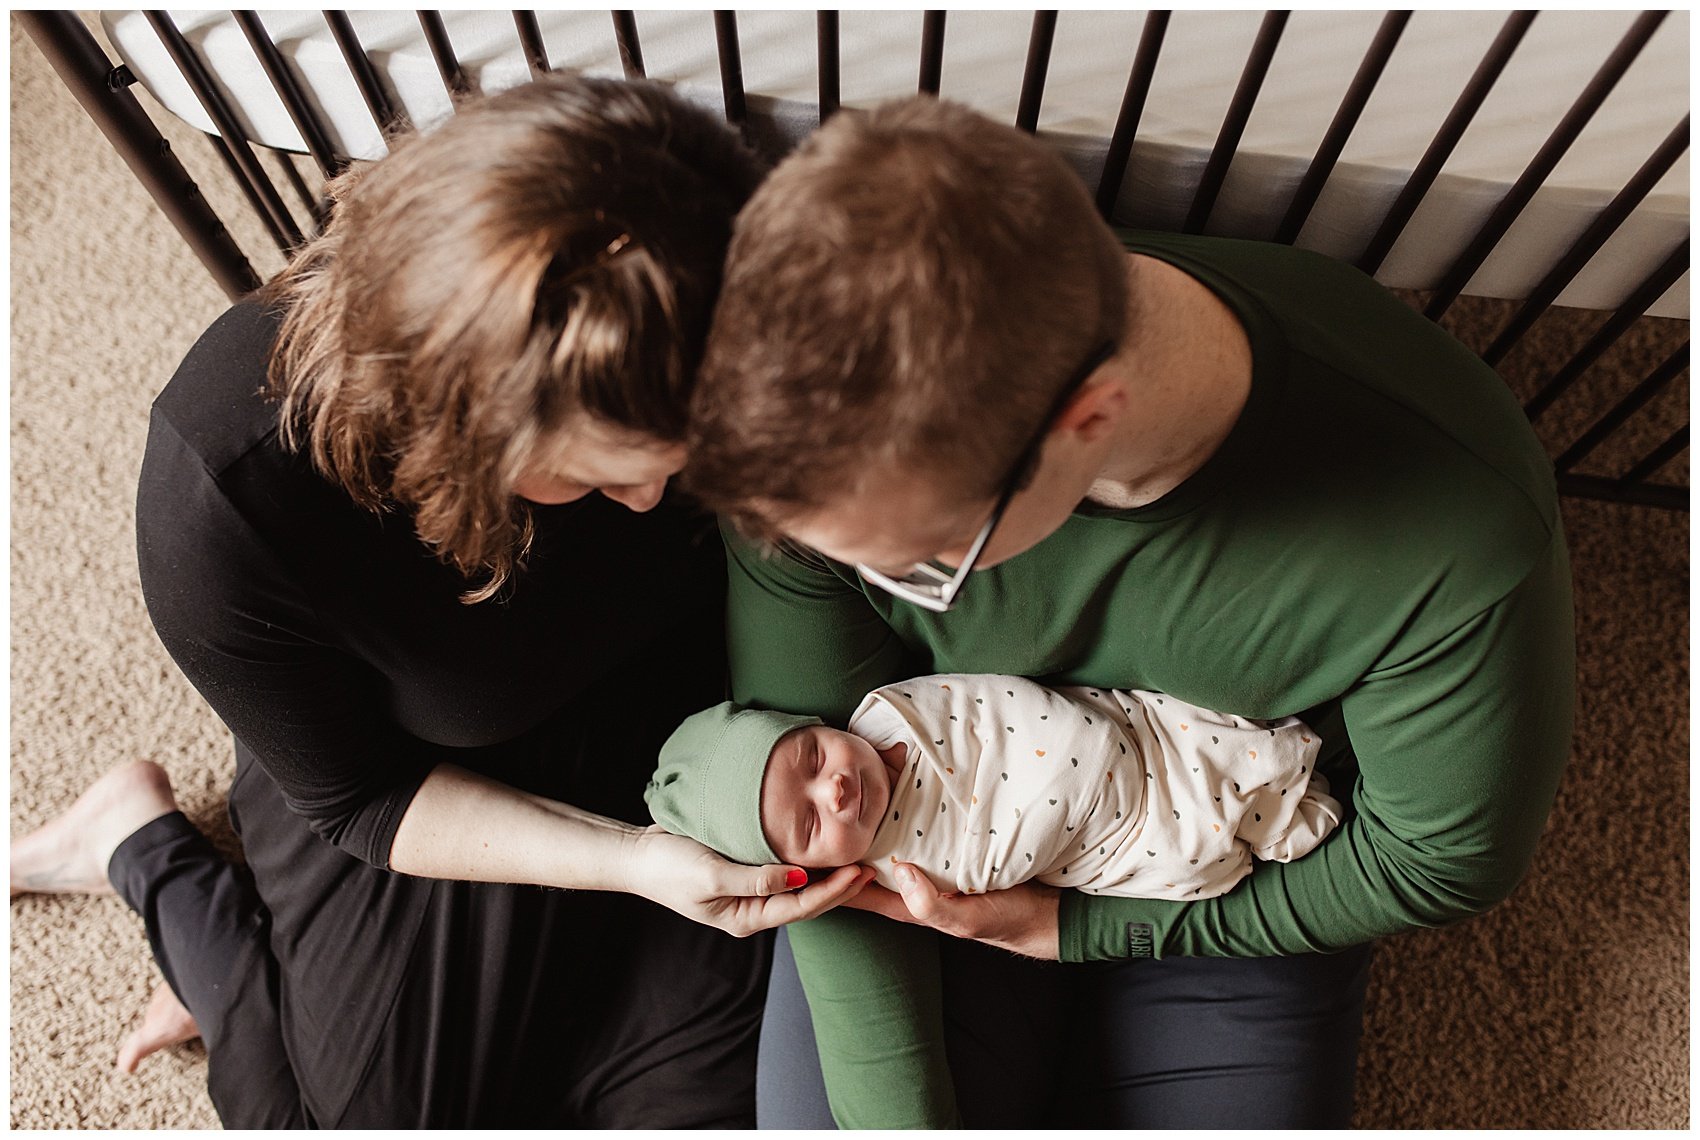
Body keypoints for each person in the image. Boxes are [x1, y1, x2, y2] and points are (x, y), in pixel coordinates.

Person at [682, 96, 1576, 1128]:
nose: (880, 580)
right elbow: (819, 852)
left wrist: (1083, 930)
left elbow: (1435, 861)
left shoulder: (1455, 541)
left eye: (922, 568)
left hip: (1236, 851)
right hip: (930, 831)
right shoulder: (832, 462)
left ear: (1089, 420)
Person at [10, 74, 873, 1128]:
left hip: (671, 724)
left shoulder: (709, 245)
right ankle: (145, 850)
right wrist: (628, 864)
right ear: (467, 422)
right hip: (424, 759)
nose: (653, 501)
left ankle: (230, 961)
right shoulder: (229, 498)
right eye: (604, 476)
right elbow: (363, 799)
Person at [647, 675, 1339, 900]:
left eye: (810, 757)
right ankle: (1271, 823)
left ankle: (1281, 780)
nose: (834, 791)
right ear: (810, 868)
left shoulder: (893, 711)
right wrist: (1065, 798)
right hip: (1105, 838)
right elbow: (990, 862)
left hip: (1127, 732)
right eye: (808, 825)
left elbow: (995, 708)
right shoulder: (897, 870)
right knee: (1187, 850)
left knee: (1215, 724)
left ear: (811, 725)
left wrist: (1077, 752)